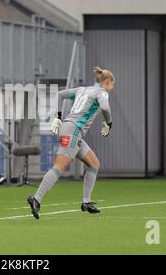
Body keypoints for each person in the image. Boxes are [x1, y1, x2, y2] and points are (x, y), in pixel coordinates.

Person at [27, 67, 114, 219]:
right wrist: (109, 123)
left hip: (71, 130)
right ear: (107, 82)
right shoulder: (101, 92)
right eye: (112, 85)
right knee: (59, 166)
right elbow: (105, 107)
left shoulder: (82, 89)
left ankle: (86, 202)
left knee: (94, 164)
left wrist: (58, 116)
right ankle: (36, 198)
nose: (111, 88)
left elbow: (60, 94)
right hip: (74, 131)